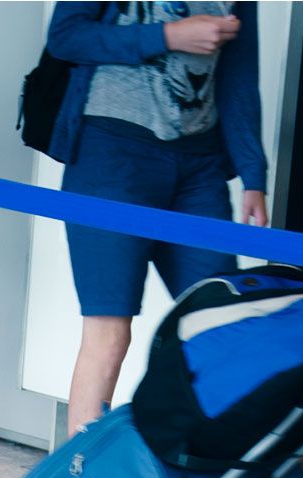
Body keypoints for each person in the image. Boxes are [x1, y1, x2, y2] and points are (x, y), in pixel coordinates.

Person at [47, 1, 267, 437]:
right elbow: (67, 37)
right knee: (110, 333)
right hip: (111, 153)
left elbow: (239, 75)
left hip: (200, 167)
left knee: (218, 325)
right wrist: (169, 37)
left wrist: (254, 174)